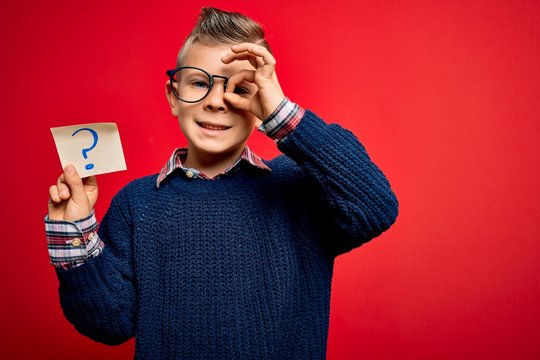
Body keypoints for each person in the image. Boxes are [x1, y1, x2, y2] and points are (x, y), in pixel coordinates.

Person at [46, 7, 398, 359]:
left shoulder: (299, 187)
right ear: (173, 96)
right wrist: (74, 234)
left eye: (238, 89)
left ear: (260, 101)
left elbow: (375, 206)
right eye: (200, 83)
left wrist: (279, 112)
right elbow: (110, 323)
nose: (216, 102)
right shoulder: (136, 203)